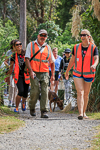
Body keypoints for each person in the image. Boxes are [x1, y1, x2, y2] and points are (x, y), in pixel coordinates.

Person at [65, 29, 99, 120]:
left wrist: (94, 65)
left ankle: (84, 112)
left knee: (86, 94)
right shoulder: (76, 47)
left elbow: (96, 58)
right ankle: (80, 113)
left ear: (89, 37)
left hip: (89, 73)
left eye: (84, 35)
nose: (82, 37)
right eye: (81, 35)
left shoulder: (93, 47)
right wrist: (67, 71)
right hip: (77, 73)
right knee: (80, 92)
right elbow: (72, 60)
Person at [25, 29, 55, 118]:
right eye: (41, 35)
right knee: (35, 91)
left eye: (45, 36)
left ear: (46, 37)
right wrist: (30, 71)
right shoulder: (31, 45)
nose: (43, 37)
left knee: (45, 91)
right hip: (33, 72)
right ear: (38, 36)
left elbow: (52, 62)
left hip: (45, 72)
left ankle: (44, 111)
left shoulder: (48, 47)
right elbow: (27, 58)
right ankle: (32, 107)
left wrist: (52, 75)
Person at [7, 40, 30, 112]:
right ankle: (16, 107)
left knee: (25, 92)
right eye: (17, 45)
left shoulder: (26, 53)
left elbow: (30, 63)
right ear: (14, 46)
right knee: (21, 91)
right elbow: (11, 67)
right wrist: (8, 77)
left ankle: (23, 103)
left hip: (26, 74)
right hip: (18, 75)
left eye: (20, 44)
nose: (19, 45)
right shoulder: (13, 56)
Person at [4, 40, 17, 107]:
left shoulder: (19, 52)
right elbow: (5, 61)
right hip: (11, 71)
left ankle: (14, 101)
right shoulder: (9, 52)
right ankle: (10, 100)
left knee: (16, 87)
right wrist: (9, 66)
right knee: (11, 86)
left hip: (17, 72)